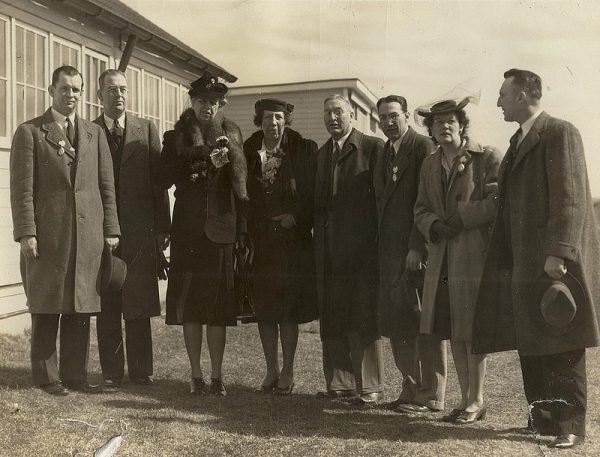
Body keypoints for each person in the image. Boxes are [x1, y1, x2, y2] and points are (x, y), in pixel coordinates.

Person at [473, 69, 600, 449]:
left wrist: (558, 253)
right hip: (522, 262)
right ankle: (544, 420)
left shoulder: (560, 132)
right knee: (533, 339)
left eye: (502, 95)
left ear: (525, 94)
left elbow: (571, 197)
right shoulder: (518, 141)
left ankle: (570, 426)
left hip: (550, 261)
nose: (497, 102)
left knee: (561, 340)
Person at [9, 65, 120, 395]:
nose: (70, 95)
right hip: (49, 236)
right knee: (46, 304)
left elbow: (106, 185)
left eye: (76, 90)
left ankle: (75, 376)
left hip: (88, 236)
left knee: (81, 305)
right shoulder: (30, 132)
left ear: (82, 94)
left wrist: (111, 228)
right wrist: (27, 232)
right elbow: (22, 190)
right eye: (64, 88)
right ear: (51, 90)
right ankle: (47, 377)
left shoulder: (94, 133)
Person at [156, 73, 248, 397]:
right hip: (189, 233)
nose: (207, 107)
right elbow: (163, 178)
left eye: (213, 101)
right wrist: (201, 155)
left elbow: (240, 190)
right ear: (191, 101)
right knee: (191, 308)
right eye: (201, 101)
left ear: (220, 104)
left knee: (218, 310)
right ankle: (195, 375)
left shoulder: (232, 134)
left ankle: (217, 375)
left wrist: (242, 232)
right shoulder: (175, 136)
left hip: (221, 231)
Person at [413, 97, 501, 423]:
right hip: (441, 257)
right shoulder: (429, 164)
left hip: (473, 256)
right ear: (431, 130)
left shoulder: (485, 156)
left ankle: (476, 400)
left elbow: (497, 202)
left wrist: (463, 218)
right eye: (438, 122)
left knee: (471, 329)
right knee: (453, 328)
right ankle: (467, 400)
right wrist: (434, 225)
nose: (445, 126)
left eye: (451, 120)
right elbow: (420, 208)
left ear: (462, 124)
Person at [94, 69, 171, 388]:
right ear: (99, 96)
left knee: (138, 302)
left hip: (140, 232)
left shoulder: (145, 129)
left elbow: (158, 183)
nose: (119, 95)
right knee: (108, 301)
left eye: (124, 89)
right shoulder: (90, 130)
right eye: (111, 89)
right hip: (102, 232)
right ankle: (111, 372)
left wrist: (162, 227)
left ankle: (141, 370)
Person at [374, 95, 447, 414]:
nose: (388, 122)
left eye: (394, 116)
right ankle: (410, 387)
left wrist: (417, 246)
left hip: (414, 252)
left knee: (423, 322)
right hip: (388, 254)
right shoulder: (384, 150)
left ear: (406, 116)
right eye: (383, 118)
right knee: (398, 322)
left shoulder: (422, 146)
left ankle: (431, 394)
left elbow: (427, 200)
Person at [244, 98, 318, 395]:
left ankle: (288, 370)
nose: (272, 123)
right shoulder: (249, 150)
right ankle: (271, 369)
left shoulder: (303, 148)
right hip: (261, 240)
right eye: (266, 118)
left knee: (287, 309)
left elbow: (312, 191)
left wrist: (295, 218)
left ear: (286, 120)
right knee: (265, 308)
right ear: (258, 121)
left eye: (277, 118)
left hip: (291, 240)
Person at [314, 94, 385, 404]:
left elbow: (382, 200)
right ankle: (340, 384)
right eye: (328, 112)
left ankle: (371, 387)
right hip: (330, 250)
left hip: (363, 249)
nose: (333, 117)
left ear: (352, 114)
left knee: (364, 316)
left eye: (339, 112)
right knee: (334, 315)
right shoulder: (322, 153)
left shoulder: (372, 147)